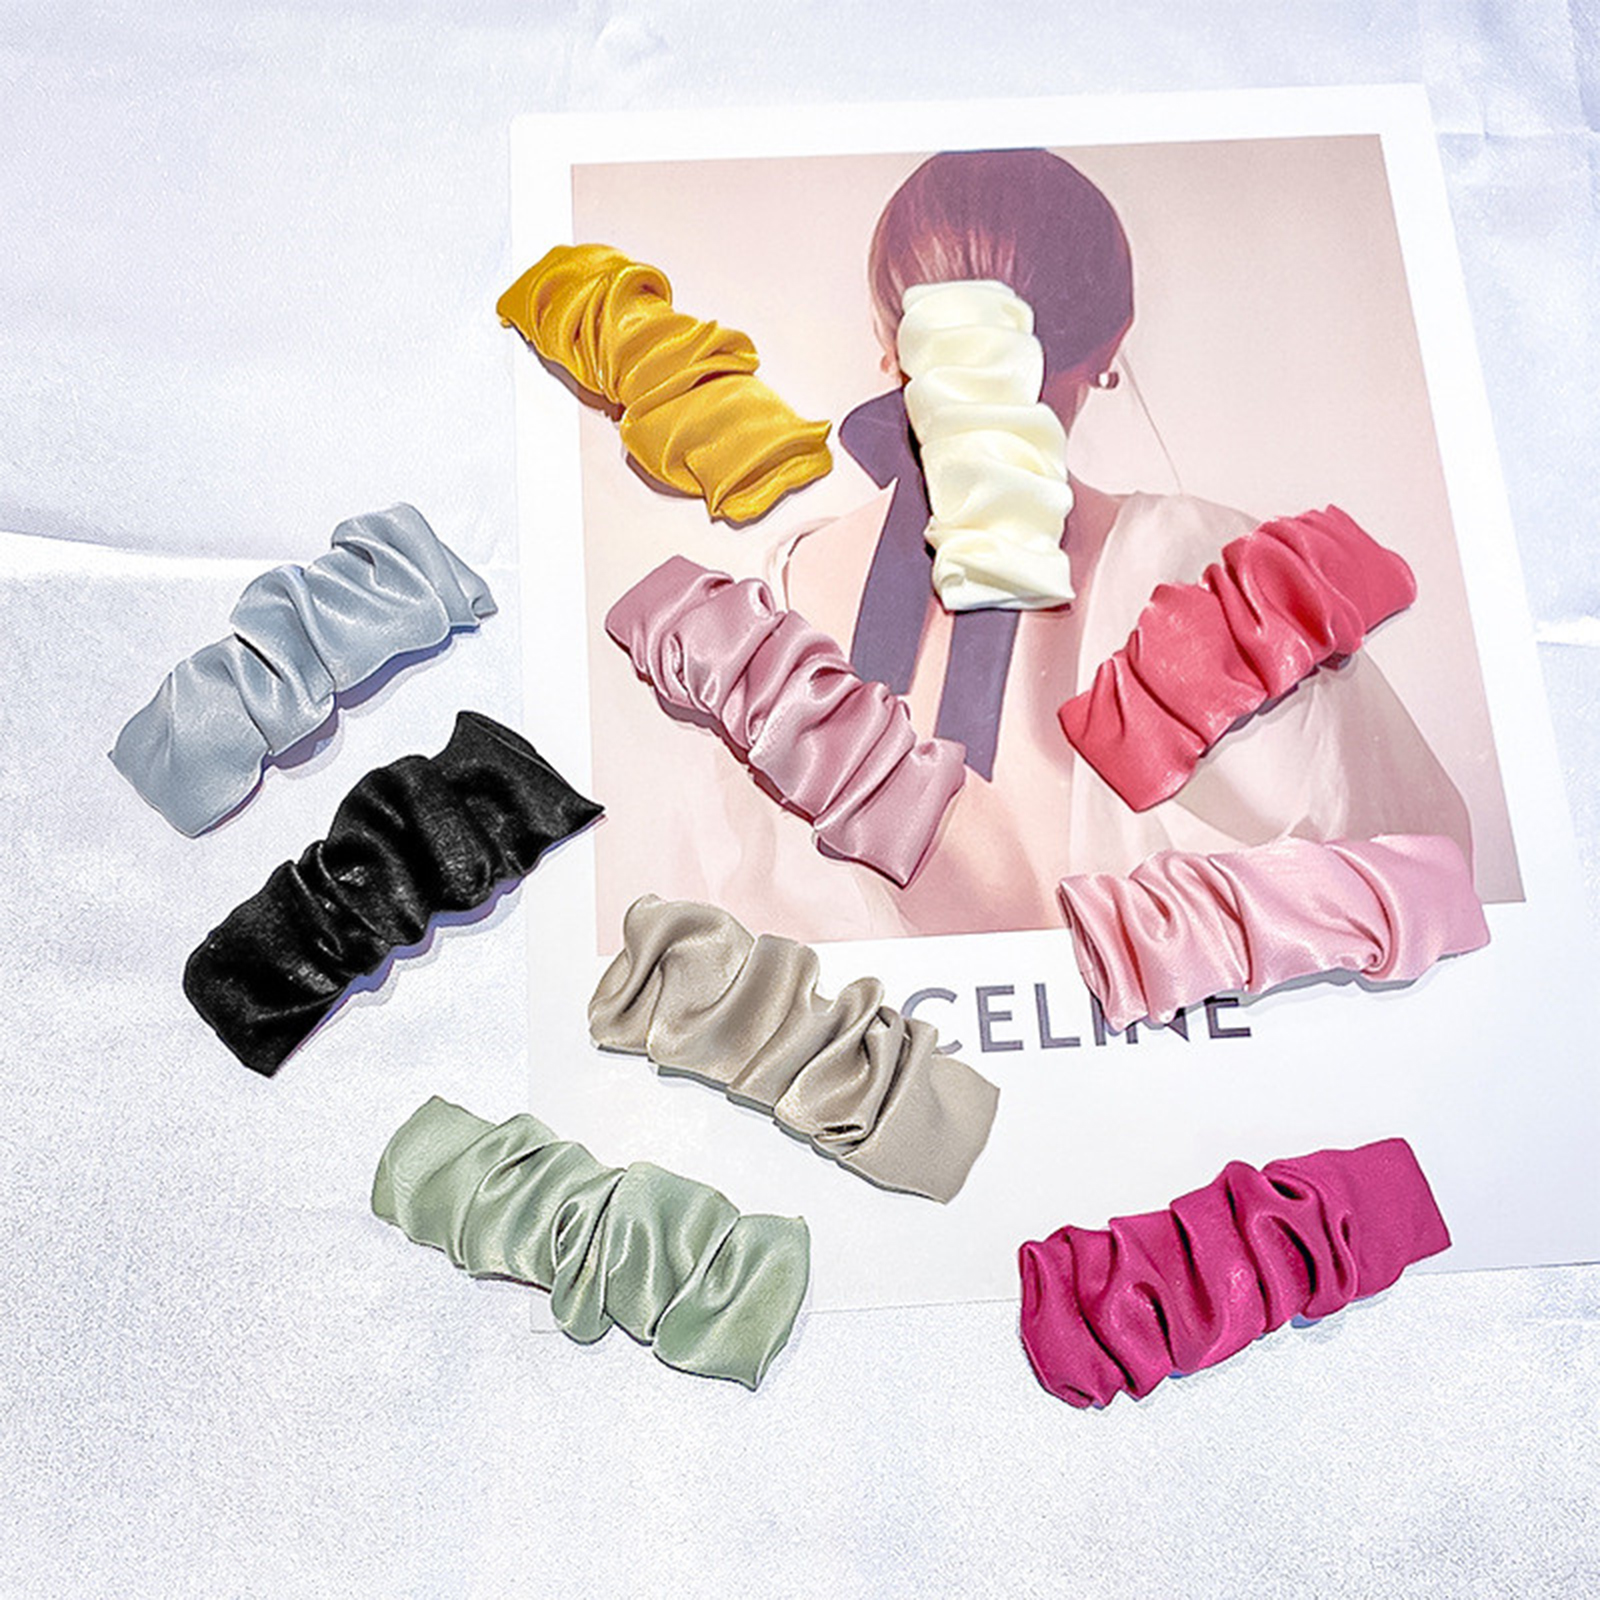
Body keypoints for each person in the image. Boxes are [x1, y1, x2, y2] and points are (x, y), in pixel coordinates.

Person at [767, 147, 1473, 939]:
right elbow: (1412, 886)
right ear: (1110, 346)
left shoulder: (770, 610)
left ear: (888, 337)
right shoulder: (1221, 577)